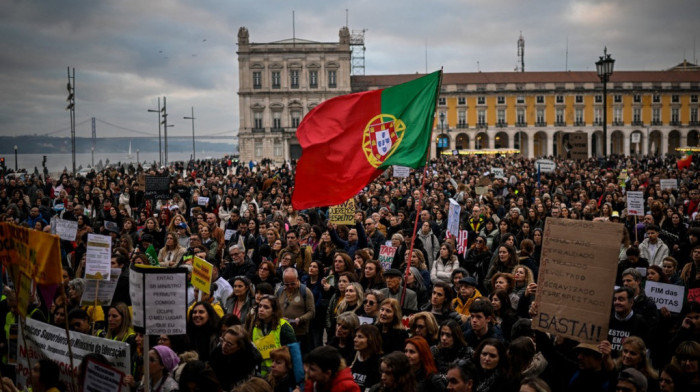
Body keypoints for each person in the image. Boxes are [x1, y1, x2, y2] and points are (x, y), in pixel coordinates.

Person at [251, 295, 296, 376]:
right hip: (260, 375)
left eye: (266, 307)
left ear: (274, 311)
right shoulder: (256, 326)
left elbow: (294, 354)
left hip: (280, 375)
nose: (261, 309)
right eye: (260, 306)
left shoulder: (284, 327)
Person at [208, 325, 262, 391]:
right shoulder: (217, 353)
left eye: (229, 344)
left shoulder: (249, 362)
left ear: (240, 346)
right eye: (223, 340)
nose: (224, 346)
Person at [276, 268, 315, 352]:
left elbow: (311, 312)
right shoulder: (279, 291)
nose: (290, 286)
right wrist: (279, 318)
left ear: (297, 279)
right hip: (283, 333)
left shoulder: (305, 291)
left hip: (300, 334)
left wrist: (300, 319)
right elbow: (275, 310)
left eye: (292, 283)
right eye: (287, 284)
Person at [350, 324, 383, 391]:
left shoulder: (378, 363)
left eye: (360, 337)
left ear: (371, 339)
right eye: (355, 336)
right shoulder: (352, 356)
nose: (355, 340)